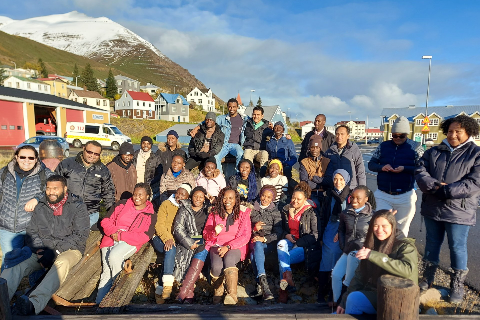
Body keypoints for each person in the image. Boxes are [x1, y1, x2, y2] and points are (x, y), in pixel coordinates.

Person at [1, 175, 89, 315]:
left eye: (55, 188)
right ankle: (1, 301)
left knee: (61, 263)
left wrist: (55, 251)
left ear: (65, 189)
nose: (51, 192)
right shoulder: (41, 206)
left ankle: (33, 304)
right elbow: (32, 231)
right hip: (41, 250)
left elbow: (80, 235)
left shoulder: (77, 206)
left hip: (69, 249)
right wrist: (40, 249)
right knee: (16, 263)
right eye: (48, 188)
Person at [415, 115, 480, 303]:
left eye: (458, 131)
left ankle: (457, 286)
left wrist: (446, 190)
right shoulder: (434, 151)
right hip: (433, 208)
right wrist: (435, 186)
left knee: (457, 247)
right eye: (450, 131)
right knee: (431, 245)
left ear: (468, 132)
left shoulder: (475, 153)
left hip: (459, 211)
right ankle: (427, 279)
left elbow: (474, 182)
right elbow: (420, 171)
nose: (453, 135)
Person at [337, 210, 418, 315]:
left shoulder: (405, 246)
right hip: (377, 293)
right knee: (337, 313)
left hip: (400, 298)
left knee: (354, 299)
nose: (379, 230)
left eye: (384, 226)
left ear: (392, 227)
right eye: (375, 226)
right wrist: (344, 301)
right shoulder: (373, 244)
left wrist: (373, 255)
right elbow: (359, 277)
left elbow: (407, 270)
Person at [96, 183, 156, 304]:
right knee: (106, 272)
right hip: (111, 238)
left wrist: (121, 235)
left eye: (140, 195)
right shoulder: (122, 204)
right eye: (134, 194)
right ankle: (99, 304)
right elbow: (106, 221)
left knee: (114, 256)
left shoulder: (151, 214)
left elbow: (145, 236)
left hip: (130, 241)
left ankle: (115, 297)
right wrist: (114, 232)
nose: (136, 197)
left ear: (147, 196)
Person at [368, 116, 423, 237]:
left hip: (405, 195)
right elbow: (371, 164)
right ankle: (381, 253)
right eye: (394, 135)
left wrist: (405, 169)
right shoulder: (383, 146)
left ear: (406, 134)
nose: (397, 138)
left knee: (401, 229)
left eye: (401, 136)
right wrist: (381, 167)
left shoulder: (415, 147)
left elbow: (422, 169)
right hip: (383, 194)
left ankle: (398, 253)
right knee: (381, 228)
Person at [0, 145, 52, 265]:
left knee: (36, 261)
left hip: (33, 227)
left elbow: (56, 192)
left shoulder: (45, 174)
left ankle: (34, 282)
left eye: (31, 158)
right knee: (10, 261)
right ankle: (7, 284)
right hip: (8, 228)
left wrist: (37, 198)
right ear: (16, 157)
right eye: (23, 157)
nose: (27, 161)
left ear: (36, 159)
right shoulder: (4, 173)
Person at [203, 187, 252, 305]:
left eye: (231, 198)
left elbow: (246, 235)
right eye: (224, 198)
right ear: (221, 199)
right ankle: (218, 292)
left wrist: (229, 247)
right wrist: (214, 232)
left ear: (236, 200)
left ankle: (232, 295)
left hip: (235, 246)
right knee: (216, 267)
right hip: (217, 244)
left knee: (229, 259)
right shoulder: (214, 213)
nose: (227, 200)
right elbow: (206, 233)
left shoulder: (243, 214)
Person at [55, 140, 115, 228]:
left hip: (91, 213)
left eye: (96, 154)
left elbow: (108, 192)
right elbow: (54, 185)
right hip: (67, 211)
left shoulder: (103, 170)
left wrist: (111, 213)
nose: (92, 156)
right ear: (83, 149)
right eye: (90, 152)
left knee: (79, 237)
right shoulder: (67, 164)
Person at [331, 185, 374, 306]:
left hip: (361, 253)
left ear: (366, 199)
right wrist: (343, 246)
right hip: (348, 250)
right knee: (335, 275)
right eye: (352, 197)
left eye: (358, 198)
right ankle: (336, 301)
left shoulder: (372, 216)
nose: (354, 201)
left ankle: (344, 304)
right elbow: (341, 230)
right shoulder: (345, 214)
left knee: (348, 279)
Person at [277, 182, 318, 303]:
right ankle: (288, 278)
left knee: (283, 261)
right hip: (289, 240)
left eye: (298, 199)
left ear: (305, 199)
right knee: (281, 244)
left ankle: (283, 289)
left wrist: (299, 242)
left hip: (303, 245)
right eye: (293, 198)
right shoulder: (285, 209)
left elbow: (315, 235)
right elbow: (281, 228)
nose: (294, 201)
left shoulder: (311, 212)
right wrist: (286, 235)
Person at [152, 184, 191, 304]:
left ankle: (159, 289)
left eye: (182, 194)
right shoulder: (166, 204)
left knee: (171, 252)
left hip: (177, 241)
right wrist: (167, 238)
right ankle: (168, 286)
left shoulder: (187, 208)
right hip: (160, 238)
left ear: (188, 196)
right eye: (177, 193)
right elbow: (159, 225)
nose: (178, 196)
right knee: (170, 249)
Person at [317, 169, 351, 304]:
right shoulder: (330, 195)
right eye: (336, 179)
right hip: (330, 228)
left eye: (341, 179)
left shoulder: (350, 196)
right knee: (326, 256)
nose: (338, 182)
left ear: (346, 180)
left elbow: (350, 217)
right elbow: (324, 214)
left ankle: (333, 293)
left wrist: (341, 230)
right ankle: (321, 292)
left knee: (337, 256)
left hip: (343, 229)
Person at [173, 186, 211, 303]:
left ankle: (182, 293)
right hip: (186, 240)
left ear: (204, 198)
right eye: (195, 196)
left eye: (201, 197)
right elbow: (178, 228)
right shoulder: (184, 209)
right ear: (191, 197)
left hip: (203, 241)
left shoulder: (208, 210)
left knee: (200, 253)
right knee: (186, 260)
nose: (198, 199)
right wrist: (189, 242)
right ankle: (189, 295)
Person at [249, 185, 282, 301]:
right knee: (256, 245)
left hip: (268, 244)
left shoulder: (275, 212)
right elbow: (243, 228)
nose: (265, 199)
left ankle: (260, 284)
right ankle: (265, 286)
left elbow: (278, 233)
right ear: (260, 195)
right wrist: (254, 228)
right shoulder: (252, 208)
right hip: (252, 241)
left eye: (269, 197)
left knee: (254, 255)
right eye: (263, 195)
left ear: (272, 199)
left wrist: (264, 239)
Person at [324, 125, 366, 190]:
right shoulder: (329, 151)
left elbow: (360, 171)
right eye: (337, 134)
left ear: (348, 136)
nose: (339, 136)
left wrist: (362, 189)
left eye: (342, 134)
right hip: (334, 188)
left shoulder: (354, 150)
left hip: (350, 188)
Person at [213, 98, 248, 171]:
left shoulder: (244, 119)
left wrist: (268, 124)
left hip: (236, 145)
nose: (231, 109)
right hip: (224, 144)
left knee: (240, 154)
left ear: (237, 107)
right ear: (227, 107)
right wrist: (196, 128)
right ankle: (220, 178)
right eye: (230, 107)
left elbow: (256, 119)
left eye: (234, 107)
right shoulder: (222, 119)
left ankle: (237, 176)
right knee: (216, 157)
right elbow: (209, 121)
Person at [299, 134, 331, 213]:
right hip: (310, 192)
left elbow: (329, 180)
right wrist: (320, 183)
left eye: (317, 147)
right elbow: (304, 181)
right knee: (314, 207)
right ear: (309, 148)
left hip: (325, 192)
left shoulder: (327, 161)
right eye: (312, 147)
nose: (315, 150)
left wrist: (312, 178)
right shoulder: (304, 162)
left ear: (320, 148)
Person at [243, 106, 273, 173]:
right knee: (246, 154)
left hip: (260, 150)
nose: (256, 116)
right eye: (254, 114)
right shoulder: (247, 124)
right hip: (249, 148)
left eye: (258, 115)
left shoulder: (267, 126)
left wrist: (286, 136)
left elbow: (275, 135)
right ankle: (249, 177)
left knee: (265, 154)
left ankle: (263, 176)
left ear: (262, 116)